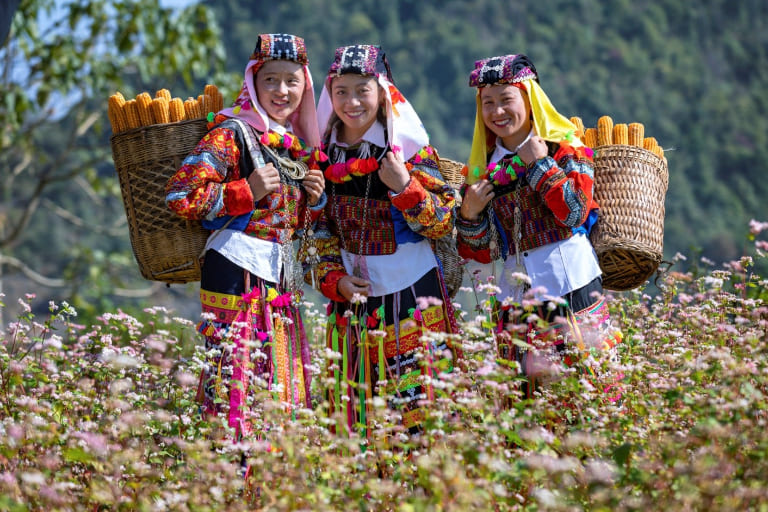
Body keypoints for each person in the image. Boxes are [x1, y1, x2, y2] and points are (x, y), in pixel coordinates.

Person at [165, 33, 326, 441]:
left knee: (277, 381)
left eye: (292, 81)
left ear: (305, 87)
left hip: (278, 276)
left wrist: (312, 199)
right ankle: (232, 479)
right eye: (271, 80)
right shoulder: (232, 133)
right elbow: (182, 195)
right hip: (234, 272)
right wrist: (245, 192)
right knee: (234, 384)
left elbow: (287, 225)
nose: (282, 91)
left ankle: (267, 483)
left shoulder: (293, 149)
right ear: (253, 81)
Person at [306, 44, 459, 435]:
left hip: (412, 296)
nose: (352, 101)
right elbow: (318, 231)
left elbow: (442, 222)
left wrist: (405, 186)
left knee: (421, 417)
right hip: (351, 304)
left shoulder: (408, 151)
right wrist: (333, 280)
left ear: (382, 92)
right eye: (341, 91)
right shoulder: (322, 156)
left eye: (363, 90)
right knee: (353, 423)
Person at [455, 53, 621, 400]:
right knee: (525, 404)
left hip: (570, 285)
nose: (497, 112)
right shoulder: (483, 170)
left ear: (529, 100)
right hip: (515, 299)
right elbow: (483, 252)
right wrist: (469, 214)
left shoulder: (565, 148)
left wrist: (539, 164)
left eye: (506, 100)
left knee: (590, 392)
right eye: (488, 103)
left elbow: (574, 214)